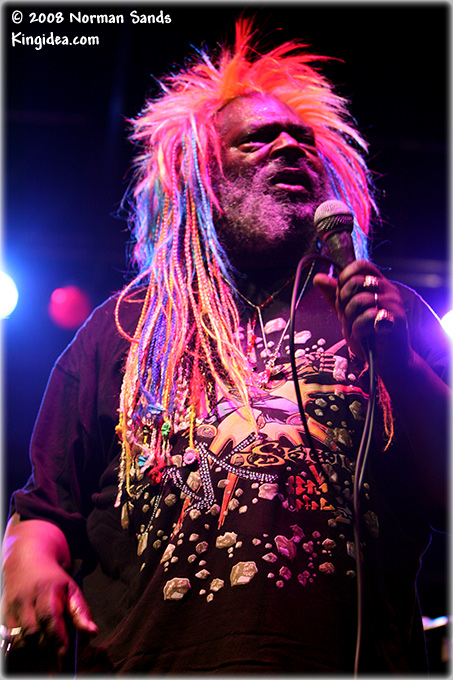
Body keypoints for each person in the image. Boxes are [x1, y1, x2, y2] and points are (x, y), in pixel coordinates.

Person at [2, 19, 449, 674]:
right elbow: (44, 512)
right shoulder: (123, 326)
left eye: (302, 140)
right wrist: (26, 564)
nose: (289, 147)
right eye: (257, 139)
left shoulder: (386, 309)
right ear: (202, 176)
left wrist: (401, 364)